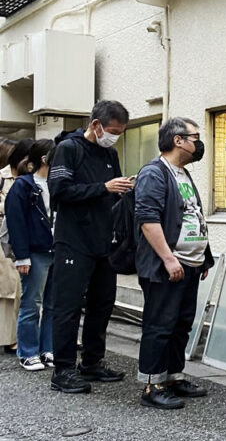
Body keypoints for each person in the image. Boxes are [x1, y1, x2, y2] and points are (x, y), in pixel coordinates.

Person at [48, 100, 134, 394]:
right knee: (68, 306)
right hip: (73, 241)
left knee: (102, 304)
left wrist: (124, 188)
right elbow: (59, 192)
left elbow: (112, 194)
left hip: (103, 242)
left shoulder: (109, 153)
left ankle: (92, 363)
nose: (115, 137)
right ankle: (63, 370)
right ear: (95, 125)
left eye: (120, 132)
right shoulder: (68, 149)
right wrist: (104, 188)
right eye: (111, 130)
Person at [134, 118, 215, 409]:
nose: (199, 143)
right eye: (195, 136)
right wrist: (169, 259)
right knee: (160, 325)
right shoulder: (154, 173)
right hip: (167, 266)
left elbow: (192, 216)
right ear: (178, 140)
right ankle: (151, 384)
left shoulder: (181, 173)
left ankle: (173, 377)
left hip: (189, 264)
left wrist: (203, 257)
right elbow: (148, 220)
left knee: (181, 325)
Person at [6, 139, 55, 371]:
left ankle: (48, 348)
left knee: (54, 304)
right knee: (31, 302)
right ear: (45, 159)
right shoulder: (24, 185)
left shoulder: (58, 184)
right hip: (35, 251)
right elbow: (16, 223)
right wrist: (22, 256)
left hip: (58, 250)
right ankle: (28, 351)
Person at [0, 138, 28, 356]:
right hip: (4, 241)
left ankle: (19, 336)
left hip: (24, 239)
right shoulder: (2, 178)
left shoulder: (29, 179)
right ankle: (9, 339)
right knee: (8, 291)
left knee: (21, 290)